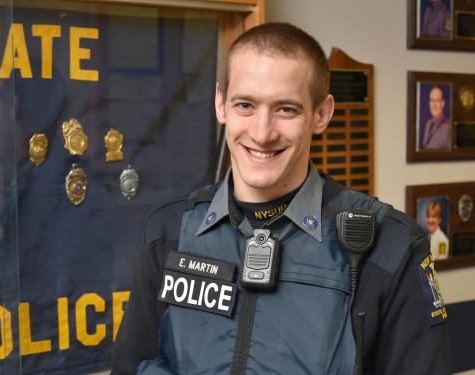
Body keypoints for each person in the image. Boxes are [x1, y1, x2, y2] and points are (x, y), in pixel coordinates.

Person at [111, 23, 451, 374]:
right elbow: (132, 367)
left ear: (321, 114)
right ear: (220, 104)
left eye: (286, 109)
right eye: (245, 104)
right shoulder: (169, 231)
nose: (262, 133)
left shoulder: (390, 246)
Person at [422, 85, 451, 150]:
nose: (434, 105)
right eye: (432, 100)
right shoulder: (428, 124)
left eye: (437, 100)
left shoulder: (448, 128)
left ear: (443, 103)